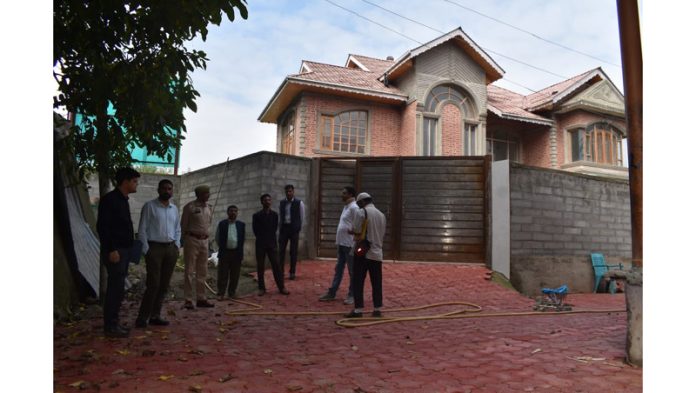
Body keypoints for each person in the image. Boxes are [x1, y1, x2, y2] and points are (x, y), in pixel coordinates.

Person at [96, 167, 141, 338]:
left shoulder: (123, 200)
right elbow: (103, 227)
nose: (136, 184)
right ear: (126, 181)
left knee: (118, 288)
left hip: (125, 250)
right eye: (135, 181)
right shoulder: (110, 200)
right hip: (116, 251)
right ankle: (110, 326)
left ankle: (113, 323)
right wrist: (111, 249)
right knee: (115, 289)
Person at [134, 179, 181, 328]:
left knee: (164, 285)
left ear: (172, 191)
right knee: (153, 284)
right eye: (164, 188)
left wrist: (177, 245)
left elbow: (177, 229)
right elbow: (142, 229)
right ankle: (142, 318)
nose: (167, 191)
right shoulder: (150, 206)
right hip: (154, 249)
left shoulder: (174, 209)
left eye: (169, 189)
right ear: (158, 190)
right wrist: (147, 250)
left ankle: (155, 315)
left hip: (170, 249)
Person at [345, 192, 387, 318]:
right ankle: (377, 309)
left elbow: (357, 230)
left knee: (358, 281)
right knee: (376, 282)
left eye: (359, 204)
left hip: (363, 253)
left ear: (362, 202)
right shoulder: (381, 215)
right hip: (377, 253)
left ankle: (358, 310)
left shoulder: (362, 212)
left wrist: (351, 231)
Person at [319, 186, 359, 304]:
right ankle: (332, 292)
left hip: (349, 244)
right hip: (341, 243)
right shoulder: (346, 207)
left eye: (344, 193)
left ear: (351, 194)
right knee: (339, 269)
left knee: (352, 271)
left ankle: (352, 295)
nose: (342, 195)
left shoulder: (354, 208)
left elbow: (358, 225)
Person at [180, 185, 214, 309]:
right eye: (206, 193)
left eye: (208, 193)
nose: (208, 195)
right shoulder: (190, 207)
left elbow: (208, 224)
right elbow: (183, 225)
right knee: (189, 270)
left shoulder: (209, 208)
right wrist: (182, 241)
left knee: (202, 271)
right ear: (199, 194)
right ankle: (188, 300)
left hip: (204, 241)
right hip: (191, 240)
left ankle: (201, 298)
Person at [252, 194, 289, 296]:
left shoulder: (275, 215)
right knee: (260, 267)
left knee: (276, 266)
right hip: (260, 244)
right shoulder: (257, 216)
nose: (267, 201)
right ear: (262, 202)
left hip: (272, 244)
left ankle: (281, 287)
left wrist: (270, 240)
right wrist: (263, 238)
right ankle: (261, 288)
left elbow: (274, 228)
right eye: (265, 200)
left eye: (269, 200)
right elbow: (255, 230)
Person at [215, 205, 245, 300]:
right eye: (231, 211)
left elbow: (242, 238)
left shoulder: (241, 225)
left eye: (235, 211)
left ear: (237, 213)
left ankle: (232, 293)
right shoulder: (222, 224)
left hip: (237, 253)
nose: (233, 213)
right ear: (228, 212)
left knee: (235, 274)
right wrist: (223, 247)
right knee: (222, 274)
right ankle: (221, 293)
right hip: (225, 253)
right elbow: (217, 238)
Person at [278, 184, 304, 280]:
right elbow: (281, 215)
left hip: (293, 230)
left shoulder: (299, 203)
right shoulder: (282, 203)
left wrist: (298, 228)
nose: (289, 193)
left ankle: (292, 272)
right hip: (284, 229)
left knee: (293, 252)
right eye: (287, 191)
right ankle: (280, 271)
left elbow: (302, 217)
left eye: (290, 191)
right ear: (285, 192)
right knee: (281, 251)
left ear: (293, 192)